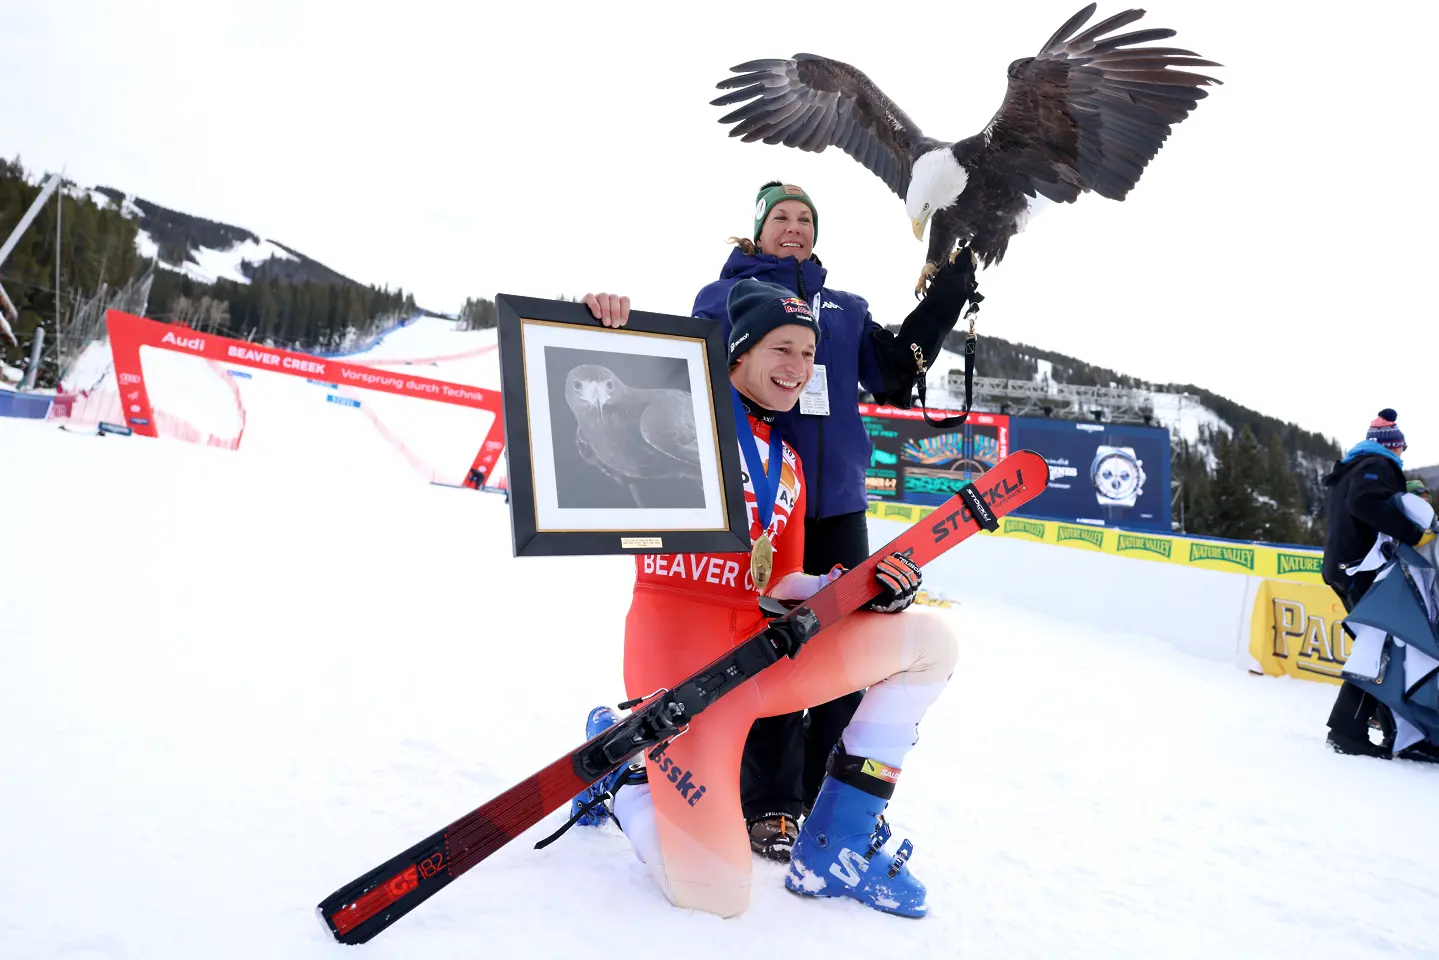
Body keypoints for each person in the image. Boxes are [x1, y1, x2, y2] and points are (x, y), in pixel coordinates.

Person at [583, 180, 977, 861]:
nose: (792, 226)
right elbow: (674, 378)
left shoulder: (845, 308)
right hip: (752, 499)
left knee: (841, 647)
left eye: (804, 218)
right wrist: (599, 329)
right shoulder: (721, 297)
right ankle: (766, 803)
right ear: (756, 231)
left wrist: (946, 293)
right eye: (779, 217)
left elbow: (888, 373)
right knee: (755, 645)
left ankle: (825, 802)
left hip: (832, 501)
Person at [1320, 409, 1435, 757]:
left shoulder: (1353, 468)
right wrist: (1415, 534)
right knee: (1382, 648)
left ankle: (1392, 731)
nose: (1402, 455)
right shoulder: (1376, 465)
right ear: (1392, 446)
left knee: (1382, 647)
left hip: (1345, 567)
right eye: (1401, 449)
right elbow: (1365, 504)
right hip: (1361, 569)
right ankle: (1350, 731)